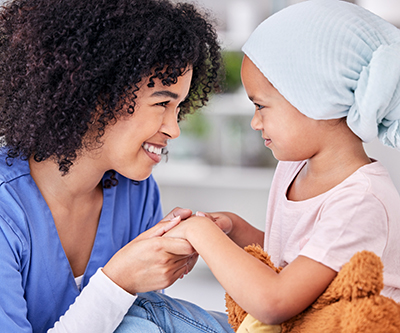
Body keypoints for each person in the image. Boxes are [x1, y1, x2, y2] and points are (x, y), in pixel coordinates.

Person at [114, 0, 400, 332]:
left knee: (146, 316)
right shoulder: (295, 169)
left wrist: (201, 232)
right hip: (293, 324)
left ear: (315, 99)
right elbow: (297, 263)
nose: (254, 122)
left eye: (261, 106)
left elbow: (274, 303)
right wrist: (235, 229)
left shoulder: (362, 202)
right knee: (143, 309)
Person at [0, 0, 225, 331]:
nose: (174, 129)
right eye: (162, 102)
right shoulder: (7, 210)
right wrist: (118, 280)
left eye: (178, 107)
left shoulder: (137, 193)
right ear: (95, 93)